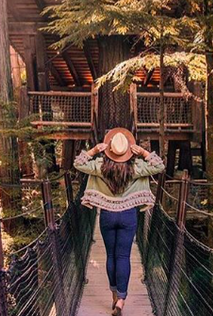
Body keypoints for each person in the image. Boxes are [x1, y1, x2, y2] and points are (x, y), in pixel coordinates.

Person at [74, 127, 165, 315]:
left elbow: (78, 163)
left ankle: (114, 295)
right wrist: (143, 152)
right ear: (128, 149)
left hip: (107, 214)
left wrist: (94, 150)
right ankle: (122, 299)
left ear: (109, 149)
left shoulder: (100, 166)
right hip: (128, 216)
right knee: (123, 256)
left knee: (110, 256)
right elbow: (159, 165)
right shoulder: (136, 167)